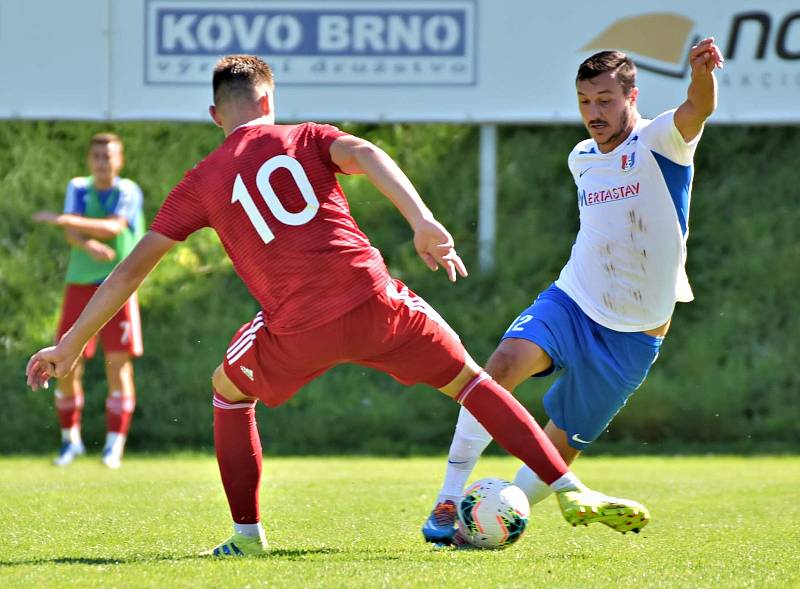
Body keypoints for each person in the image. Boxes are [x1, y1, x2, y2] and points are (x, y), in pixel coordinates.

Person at [27, 54, 649, 557]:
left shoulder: (200, 181)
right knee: (472, 382)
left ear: (216, 114)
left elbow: (130, 268)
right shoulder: (307, 136)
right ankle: (568, 488)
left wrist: (72, 342)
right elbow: (370, 155)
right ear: (270, 102)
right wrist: (425, 223)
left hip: (296, 329)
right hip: (376, 303)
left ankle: (247, 537)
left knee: (228, 391)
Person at [422, 39, 724, 545]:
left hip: (634, 335)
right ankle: (450, 500)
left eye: (605, 100)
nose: (594, 113)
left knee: (558, 445)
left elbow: (700, 108)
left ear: (632, 95)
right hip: (574, 301)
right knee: (501, 365)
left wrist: (702, 73)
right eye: (585, 101)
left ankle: (496, 520)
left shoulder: (660, 141)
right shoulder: (581, 156)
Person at [32, 133, 144, 469]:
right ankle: (70, 442)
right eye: (96, 156)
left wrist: (64, 221)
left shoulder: (128, 190)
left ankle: (113, 447)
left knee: (118, 365)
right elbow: (75, 233)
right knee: (65, 363)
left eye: (108, 156)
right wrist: (86, 243)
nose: (102, 162)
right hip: (79, 284)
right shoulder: (78, 187)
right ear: (88, 160)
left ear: (119, 160)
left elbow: (113, 229)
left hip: (118, 285)